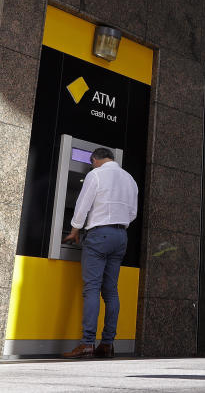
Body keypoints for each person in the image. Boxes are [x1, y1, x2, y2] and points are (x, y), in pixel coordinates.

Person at [61, 147, 138, 359]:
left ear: (94, 160)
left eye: (92, 162)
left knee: (92, 288)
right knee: (111, 291)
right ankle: (107, 344)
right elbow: (132, 213)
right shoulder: (130, 179)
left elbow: (82, 205)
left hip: (99, 234)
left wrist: (75, 229)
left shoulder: (95, 175)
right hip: (121, 236)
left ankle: (87, 343)